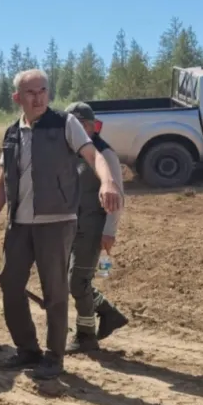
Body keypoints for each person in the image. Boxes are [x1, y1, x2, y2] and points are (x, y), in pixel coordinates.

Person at [0, 70, 122, 380]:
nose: (38, 98)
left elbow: (93, 155)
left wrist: (108, 181)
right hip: (19, 224)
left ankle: (54, 357)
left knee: (55, 292)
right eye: (30, 93)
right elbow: (3, 182)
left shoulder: (64, 123)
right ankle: (27, 350)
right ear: (17, 98)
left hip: (56, 222)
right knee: (10, 286)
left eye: (43, 91)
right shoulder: (11, 133)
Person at [63, 103, 130, 354]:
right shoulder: (70, 152)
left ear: (92, 126)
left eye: (80, 125)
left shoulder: (104, 154)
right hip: (71, 227)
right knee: (73, 281)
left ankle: (86, 336)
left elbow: (116, 196)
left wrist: (109, 231)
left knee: (78, 282)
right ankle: (108, 313)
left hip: (93, 228)